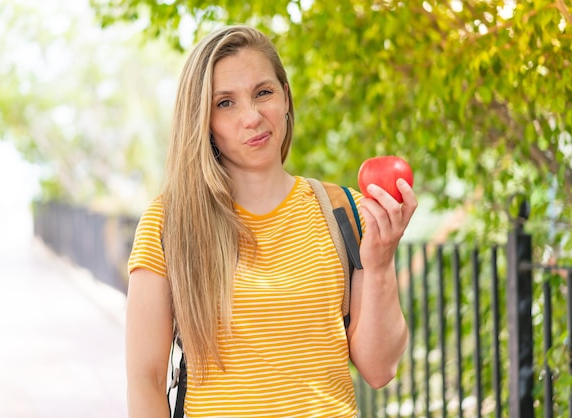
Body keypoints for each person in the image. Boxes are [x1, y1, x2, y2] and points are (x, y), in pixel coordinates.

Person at [125, 25, 417, 417]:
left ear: (285, 98)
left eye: (263, 93)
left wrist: (380, 264)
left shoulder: (343, 210)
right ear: (202, 121)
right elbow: (144, 378)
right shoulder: (169, 222)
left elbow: (380, 369)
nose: (252, 117)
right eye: (225, 103)